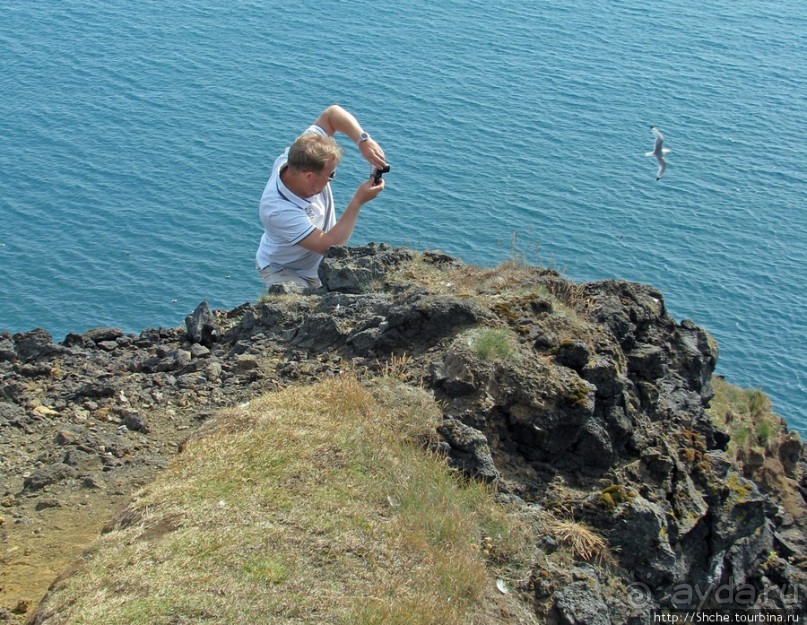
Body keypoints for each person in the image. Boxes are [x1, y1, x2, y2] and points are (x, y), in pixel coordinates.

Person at [255, 104, 388, 288]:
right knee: (296, 311)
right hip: (284, 271)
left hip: (315, 266)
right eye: (330, 175)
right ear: (309, 176)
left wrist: (363, 141)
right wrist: (357, 202)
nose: (332, 179)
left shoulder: (299, 155)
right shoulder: (278, 210)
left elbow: (332, 114)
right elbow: (330, 246)